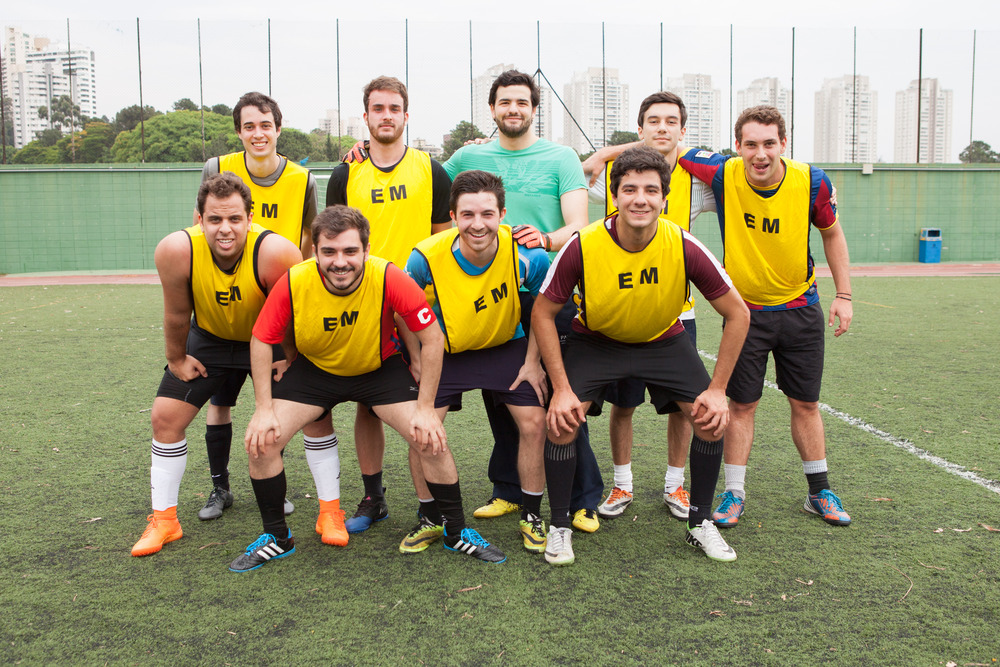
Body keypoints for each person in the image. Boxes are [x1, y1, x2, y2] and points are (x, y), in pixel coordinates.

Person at [230, 205, 506, 572]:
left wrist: (426, 409)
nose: (339, 262)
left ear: (366, 249)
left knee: (430, 438)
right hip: (316, 371)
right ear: (315, 252)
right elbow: (261, 340)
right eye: (329, 252)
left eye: (349, 251)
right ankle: (277, 538)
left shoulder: (389, 276)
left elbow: (433, 339)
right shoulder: (295, 280)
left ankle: (455, 531)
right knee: (261, 441)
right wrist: (263, 409)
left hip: (378, 370)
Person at [532, 146, 750, 566]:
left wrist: (718, 390)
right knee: (561, 421)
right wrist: (560, 388)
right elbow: (543, 312)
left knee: (709, 418)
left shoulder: (683, 244)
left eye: (651, 190)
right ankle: (559, 526)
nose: (640, 198)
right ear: (614, 197)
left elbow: (738, 314)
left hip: (663, 341)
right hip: (597, 342)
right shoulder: (584, 244)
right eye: (629, 189)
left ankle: (700, 522)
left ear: (664, 199)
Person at [443, 69, 604, 533]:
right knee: (504, 396)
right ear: (491, 109)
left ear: (534, 109)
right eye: (504, 102)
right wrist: (359, 155)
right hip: (490, 295)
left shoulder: (561, 157)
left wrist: (548, 239)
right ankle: (510, 490)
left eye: (521, 102)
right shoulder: (467, 156)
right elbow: (432, 189)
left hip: (550, 293)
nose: (513, 109)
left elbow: (580, 224)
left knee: (557, 396)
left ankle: (582, 496)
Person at [679, 105, 853, 528]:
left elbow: (831, 233)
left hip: (800, 309)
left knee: (806, 404)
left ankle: (819, 491)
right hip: (745, 316)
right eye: (751, 144)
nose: (760, 154)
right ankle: (734, 493)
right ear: (736, 147)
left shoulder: (811, 181)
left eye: (769, 143)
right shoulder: (722, 173)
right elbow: (670, 145)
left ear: (783, 144)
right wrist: (598, 158)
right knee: (742, 406)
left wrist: (844, 294)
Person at [131, 172, 303, 557]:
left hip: (266, 340)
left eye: (234, 219)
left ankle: (329, 511)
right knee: (165, 417)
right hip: (208, 340)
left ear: (250, 219)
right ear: (199, 219)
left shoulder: (277, 252)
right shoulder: (176, 250)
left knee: (316, 412)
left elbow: (294, 316)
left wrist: (292, 358)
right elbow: (177, 313)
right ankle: (165, 520)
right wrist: (176, 358)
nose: (225, 229)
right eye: (214, 219)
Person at [325, 76, 452, 538]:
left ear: (405, 114)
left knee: (429, 398)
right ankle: (374, 497)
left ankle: (435, 502)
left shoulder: (431, 170)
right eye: (377, 108)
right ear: (366, 116)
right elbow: (332, 239)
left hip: (416, 304)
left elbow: (441, 239)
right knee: (367, 404)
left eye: (394, 108)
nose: (386, 115)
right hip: (363, 303)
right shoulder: (346, 171)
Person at [580, 91, 716, 521]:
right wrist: (610, 150)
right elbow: (584, 172)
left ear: (683, 129)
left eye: (670, 121)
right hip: (622, 310)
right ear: (639, 130)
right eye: (653, 121)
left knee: (683, 407)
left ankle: (675, 487)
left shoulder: (697, 183)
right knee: (624, 405)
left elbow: (741, 186)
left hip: (676, 314)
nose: (662, 128)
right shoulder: (622, 177)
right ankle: (623, 484)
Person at [195, 91, 326, 522]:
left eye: (265, 125)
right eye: (249, 126)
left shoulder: (302, 179)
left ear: (278, 129)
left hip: (274, 308)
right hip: (225, 308)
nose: (258, 133)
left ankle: (273, 486)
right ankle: (220, 488)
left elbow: (306, 241)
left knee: (275, 399)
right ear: (238, 131)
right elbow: (203, 225)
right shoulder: (217, 168)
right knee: (220, 402)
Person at [405, 170, 550, 554]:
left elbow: (543, 311)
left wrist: (533, 362)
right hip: (448, 354)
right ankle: (431, 517)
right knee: (422, 429)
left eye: (487, 214)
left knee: (535, 423)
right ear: (453, 217)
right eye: (467, 214)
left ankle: (532, 512)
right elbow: (401, 310)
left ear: (502, 214)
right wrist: (417, 359)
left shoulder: (528, 256)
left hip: (506, 348)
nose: (478, 224)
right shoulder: (425, 258)